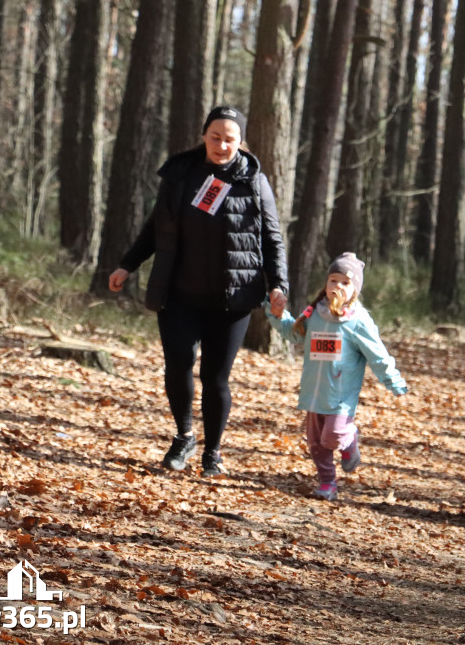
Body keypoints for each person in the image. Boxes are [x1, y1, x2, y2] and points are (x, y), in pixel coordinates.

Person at [108, 105, 288, 476]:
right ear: (204, 136)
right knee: (178, 365)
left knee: (215, 378)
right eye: (215, 137)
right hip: (179, 295)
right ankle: (184, 435)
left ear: (242, 143)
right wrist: (128, 263)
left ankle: (214, 452)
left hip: (231, 298)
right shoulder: (180, 174)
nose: (222, 145)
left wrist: (278, 285)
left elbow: (272, 238)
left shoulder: (254, 180)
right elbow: (155, 227)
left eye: (230, 139)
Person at [267, 253, 407, 501]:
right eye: (333, 280)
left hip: (341, 396)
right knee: (316, 444)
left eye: (345, 282)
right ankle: (327, 482)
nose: (337, 287)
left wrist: (393, 380)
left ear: (355, 290)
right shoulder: (315, 314)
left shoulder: (358, 321)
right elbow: (294, 333)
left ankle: (350, 439)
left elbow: (377, 354)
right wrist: (277, 315)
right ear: (326, 284)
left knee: (333, 436)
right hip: (314, 392)